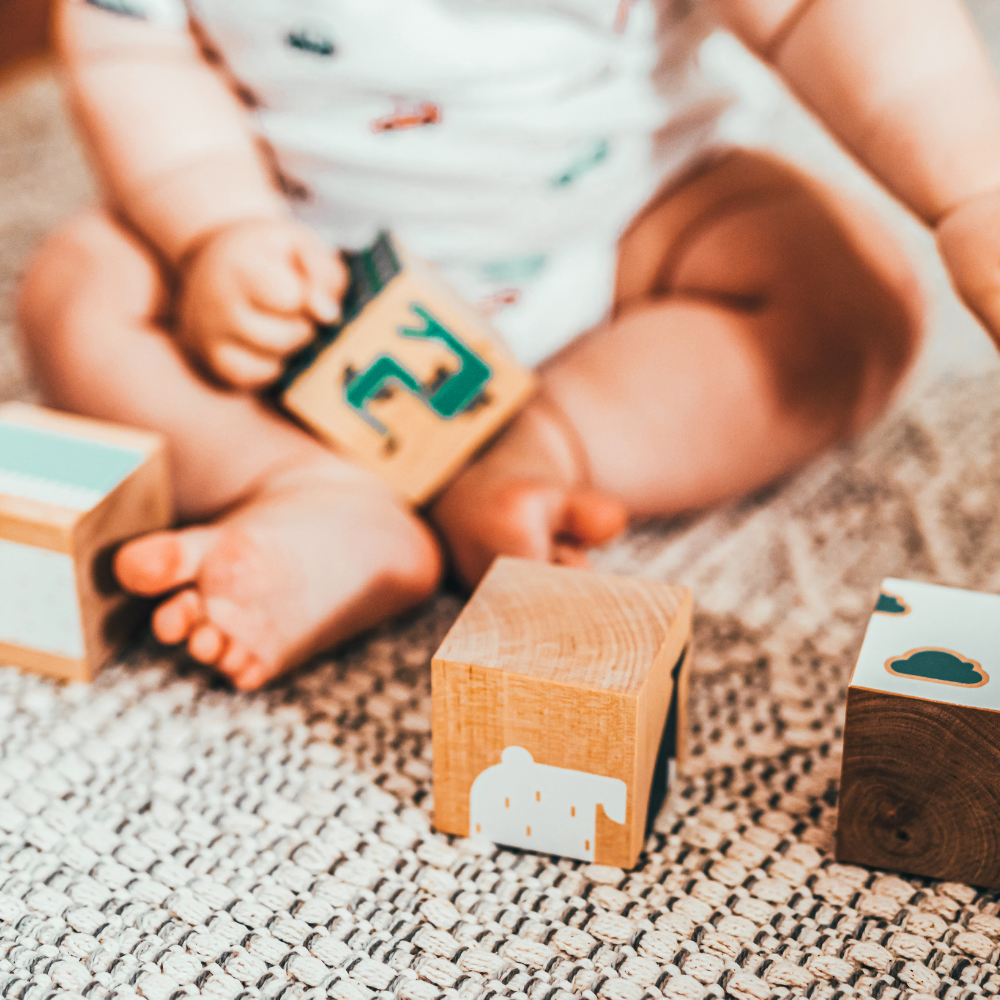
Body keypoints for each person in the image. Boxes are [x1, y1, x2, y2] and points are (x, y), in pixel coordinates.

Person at [18, 0, 1000, 690]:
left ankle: (546, 448)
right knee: (82, 290)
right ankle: (312, 490)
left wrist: (969, 189)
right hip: (299, 269)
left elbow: (825, 13)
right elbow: (131, 50)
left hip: (623, 238)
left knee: (844, 290)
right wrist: (213, 227)